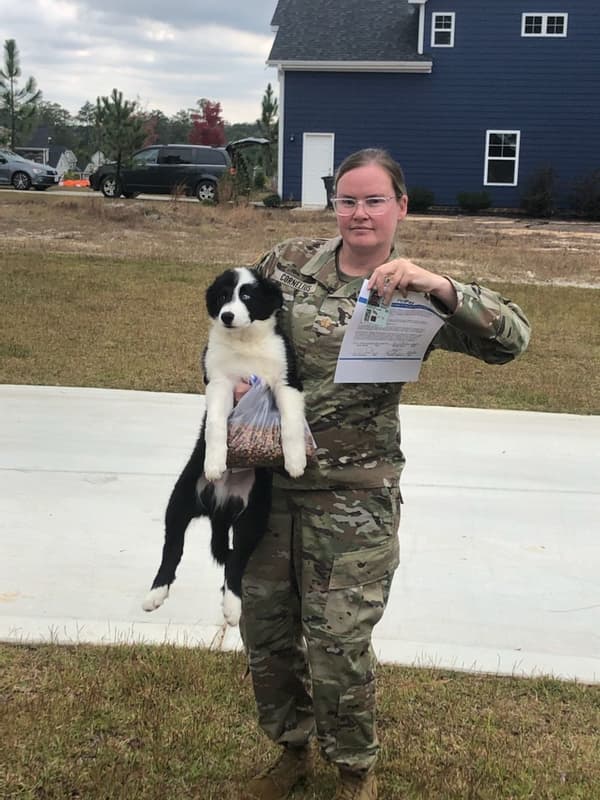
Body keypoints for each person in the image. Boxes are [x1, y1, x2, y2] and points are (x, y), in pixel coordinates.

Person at [237, 149, 531, 800]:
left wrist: (441, 287)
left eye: (374, 200)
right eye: (347, 199)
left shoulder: (415, 295)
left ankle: (352, 772)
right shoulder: (286, 263)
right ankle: (289, 752)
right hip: (267, 489)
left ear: (401, 206)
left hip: (352, 503)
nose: (359, 213)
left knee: (338, 647)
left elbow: (512, 340)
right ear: (333, 203)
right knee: (268, 635)